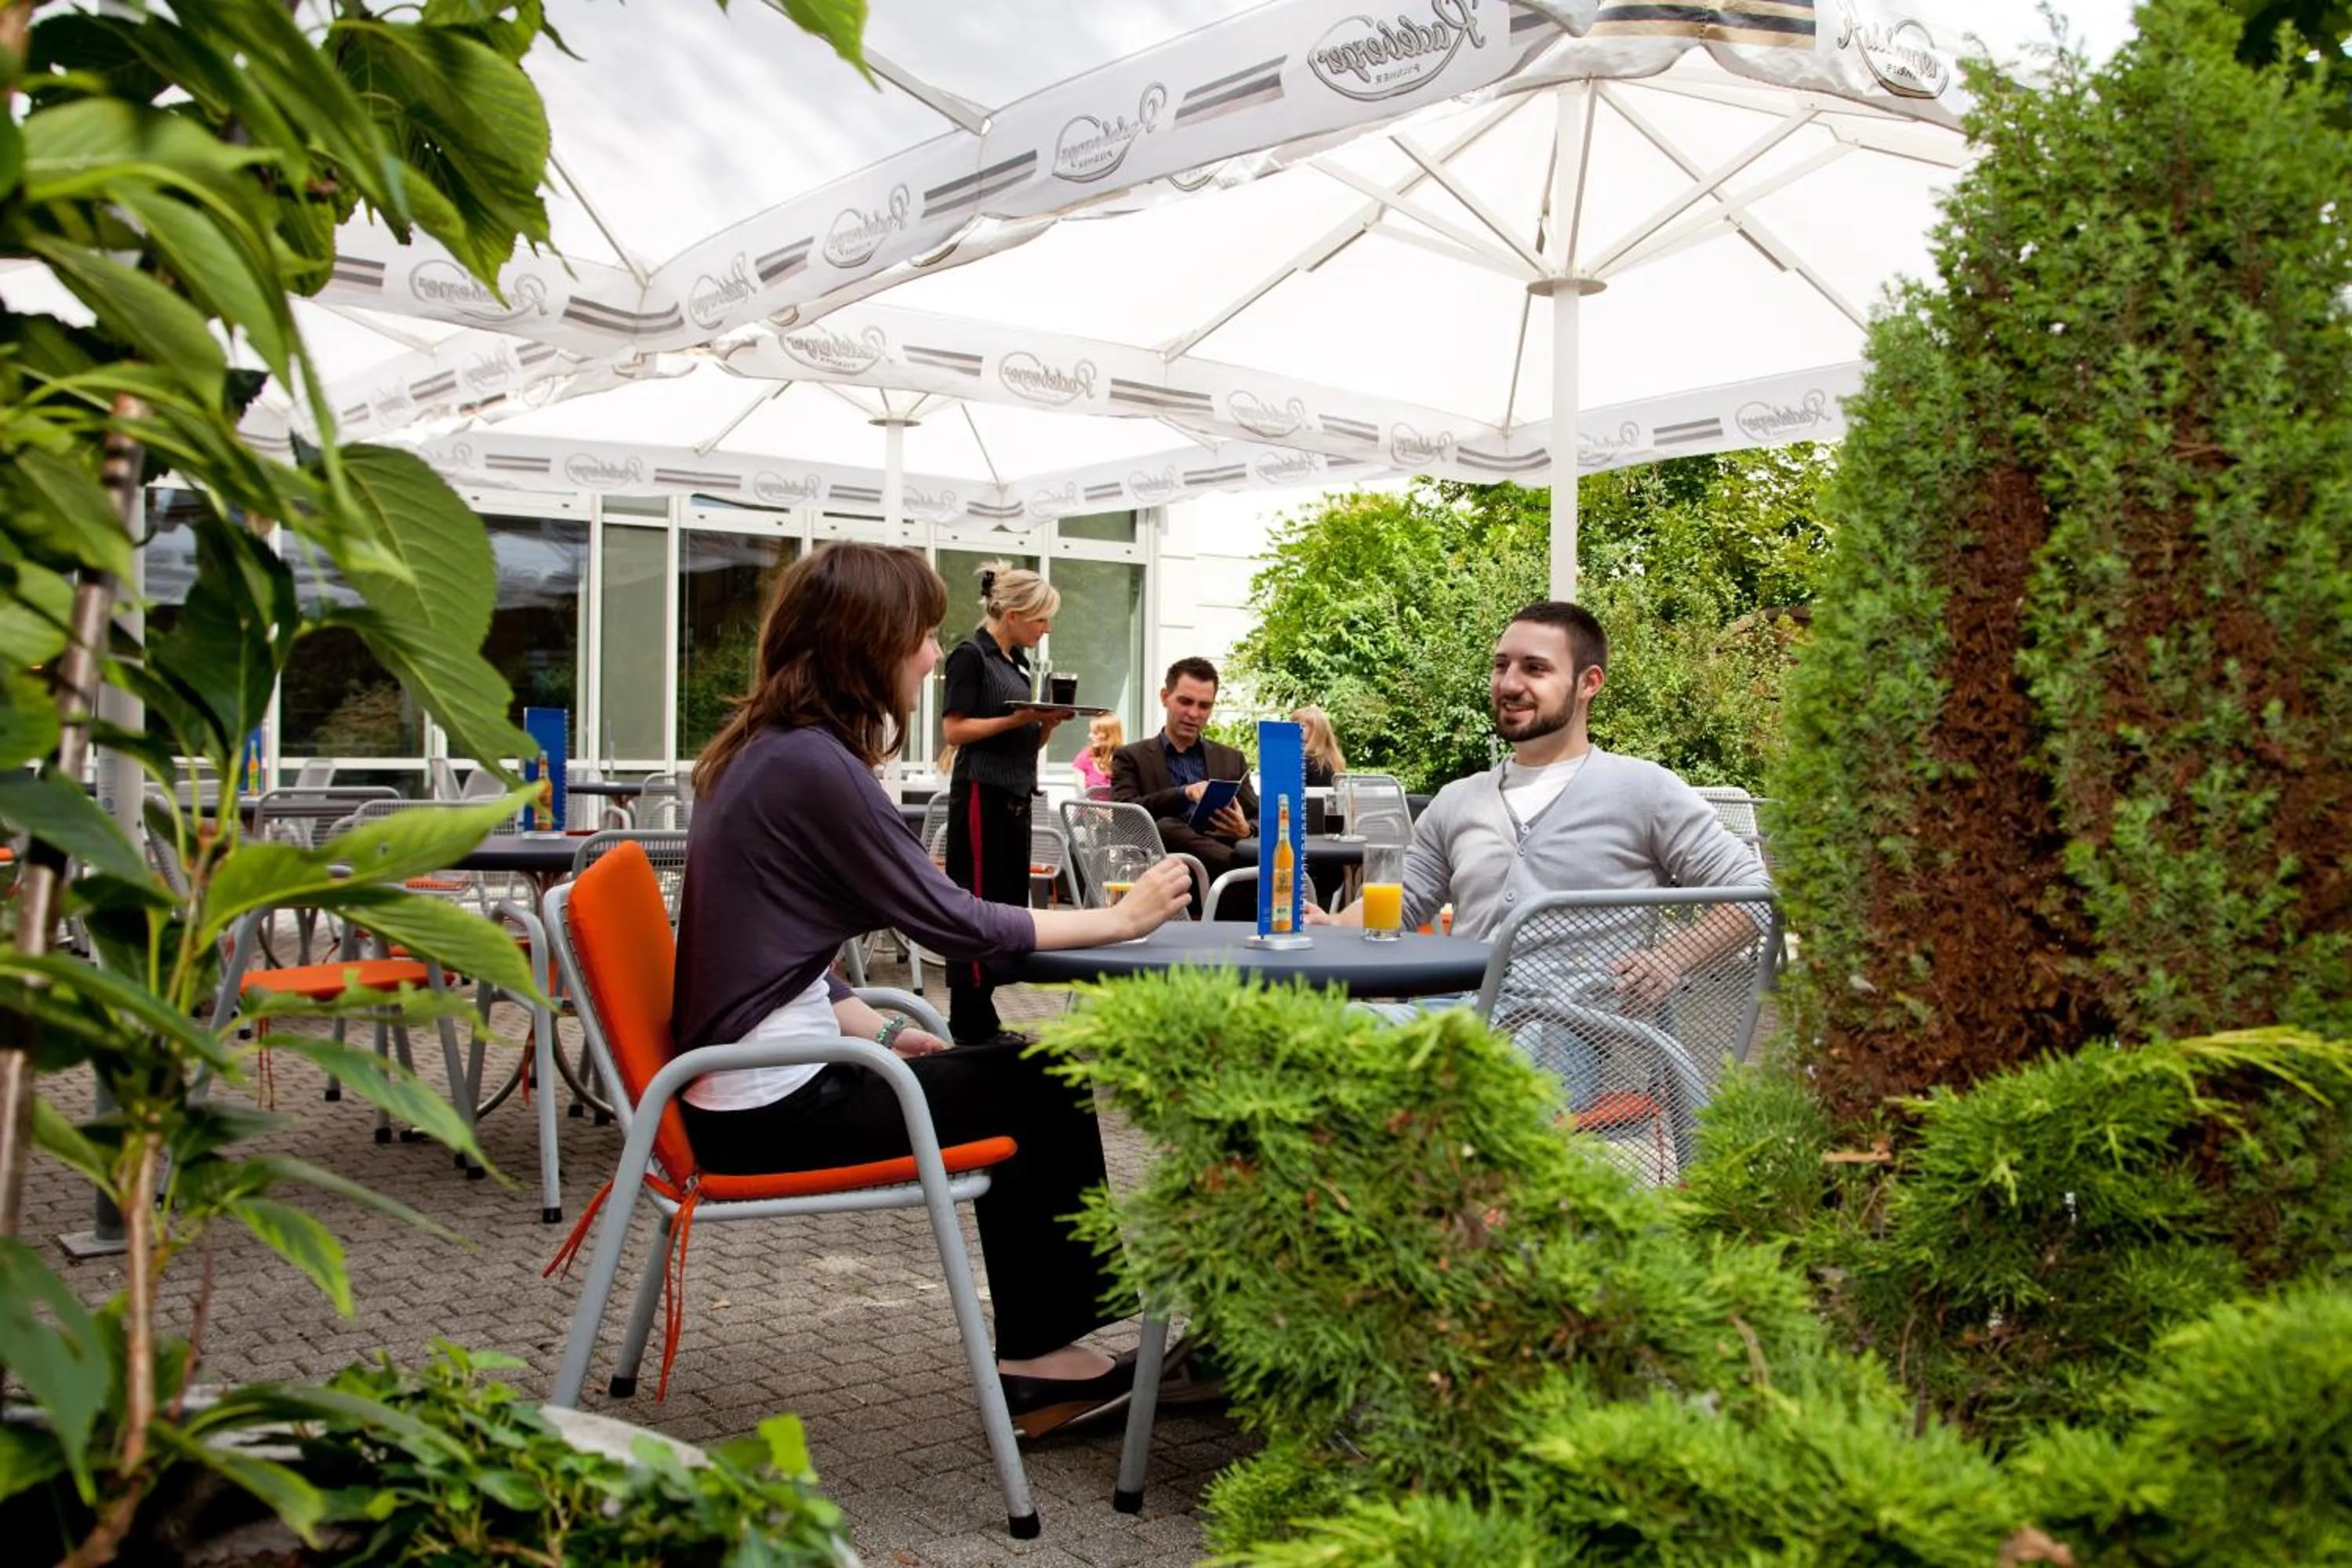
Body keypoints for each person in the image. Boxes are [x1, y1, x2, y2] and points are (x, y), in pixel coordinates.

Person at [673, 543, 1193, 1439]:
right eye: (918, 635)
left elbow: (768, 933)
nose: (928, 656)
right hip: (771, 1109)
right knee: (1041, 1081)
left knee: (1015, 1072)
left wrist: (864, 1021)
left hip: (748, 1087)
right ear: (865, 642)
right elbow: (956, 924)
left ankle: (1046, 1348)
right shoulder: (813, 764)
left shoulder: (771, 751)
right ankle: (1039, 1362)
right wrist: (1119, 919)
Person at [1312, 601, 1769, 1097]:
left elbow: (1756, 895)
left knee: (1449, 1088)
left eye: (1535, 668)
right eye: (1501, 665)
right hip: (1450, 1017)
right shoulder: (1458, 799)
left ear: (1588, 683)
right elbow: (1401, 903)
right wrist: (1333, 926)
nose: (1509, 684)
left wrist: (1671, 958)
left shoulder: (1642, 790)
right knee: (1306, 1033)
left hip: (1561, 1035)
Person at [939, 560, 1064, 1047]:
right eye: (1041, 619)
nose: (1045, 629)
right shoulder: (970, 656)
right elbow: (955, 731)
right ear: (1013, 615)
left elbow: (1021, 743)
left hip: (1014, 795)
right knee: (975, 899)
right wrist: (1018, 720)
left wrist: (1044, 724)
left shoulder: (1017, 663)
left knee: (1004, 901)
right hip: (980, 793)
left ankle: (983, 1014)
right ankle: (968, 1020)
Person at [1111, 657, 1258, 907]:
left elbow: (1259, 816)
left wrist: (1245, 830)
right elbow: (1123, 816)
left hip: (1221, 878)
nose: (1194, 714)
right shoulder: (1131, 757)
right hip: (1165, 871)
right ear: (1165, 697)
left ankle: (1246, 873)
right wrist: (1183, 794)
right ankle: (1251, 871)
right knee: (1166, 827)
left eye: (1204, 706)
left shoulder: (1231, 759)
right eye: (1185, 702)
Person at [1294, 704, 1347, 788]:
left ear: (1316, 730)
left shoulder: (1306, 761)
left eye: (1302, 726)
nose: (1295, 729)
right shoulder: (1335, 760)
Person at [1072, 713, 1122, 797]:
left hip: (1118, 805)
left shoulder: (1124, 758)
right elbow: (1080, 796)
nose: (1090, 736)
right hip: (1090, 805)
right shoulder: (1084, 757)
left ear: (1109, 735)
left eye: (1095, 733)